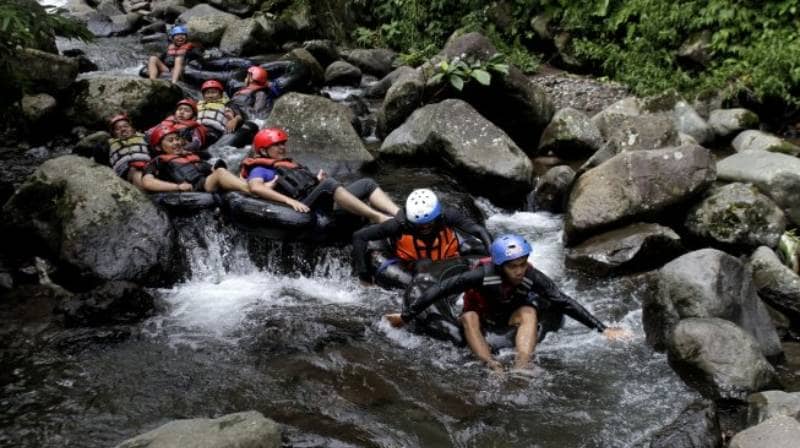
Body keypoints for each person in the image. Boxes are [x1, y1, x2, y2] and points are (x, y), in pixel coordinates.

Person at [386, 234, 629, 372]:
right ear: (500, 265)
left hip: (509, 314)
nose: (520, 271)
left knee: (529, 311)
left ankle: (523, 365)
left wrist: (603, 328)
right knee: (469, 317)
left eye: (523, 264)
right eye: (514, 266)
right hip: (479, 316)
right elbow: (440, 289)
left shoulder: (531, 275)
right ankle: (491, 365)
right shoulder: (480, 274)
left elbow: (562, 300)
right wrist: (406, 316)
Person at [241, 128, 399, 223]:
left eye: (283, 144)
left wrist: (317, 180)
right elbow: (255, 187)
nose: (282, 148)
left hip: (313, 197)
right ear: (263, 151)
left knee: (367, 183)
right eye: (276, 145)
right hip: (299, 206)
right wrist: (288, 200)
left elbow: (299, 184)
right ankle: (377, 217)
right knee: (329, 184)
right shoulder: (259, 168)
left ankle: (399, 214)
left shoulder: (287, 164)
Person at [352, 188, 492, 285]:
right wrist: (363, 275)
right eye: (419, 225)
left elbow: (479, 230)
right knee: (424, 264)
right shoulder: (398, 225)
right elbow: (360, 236)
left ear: (437, 216)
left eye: (428, 223)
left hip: (449, 258)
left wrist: (494, 255)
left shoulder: (447, 216)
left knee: (480, 249)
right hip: (417, 264)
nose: (425, 228)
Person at [140, 123, 249, 194]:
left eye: (177, 139)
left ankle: (247, 186)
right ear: (159, 147)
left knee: (222, 169)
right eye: (171, 140)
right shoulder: (158, 161)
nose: (177, 143)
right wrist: (177, 187)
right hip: (195, 189)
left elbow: (211, 169)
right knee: (220, 173)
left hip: (205, 183)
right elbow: (147, 182)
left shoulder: (191, 155)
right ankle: (250, 189)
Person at [107, 113, 151, 188]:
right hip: (125, 170)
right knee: (135, 171)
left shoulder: (144, 137)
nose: (123, 129)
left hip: (147, 165)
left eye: (126, 126)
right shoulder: (107, 145)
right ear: (114, 133)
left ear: (132, 128)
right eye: (118, 129)